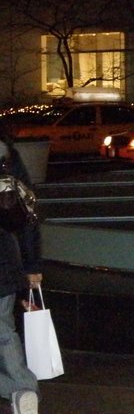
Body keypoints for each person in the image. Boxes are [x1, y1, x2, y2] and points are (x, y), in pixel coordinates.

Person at [0, 133, 42, 414]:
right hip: (3, 260)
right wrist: (31, 265)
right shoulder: (7, 157)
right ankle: (22, 390)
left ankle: (19, 388)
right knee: (3, 329)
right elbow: (28, 218)